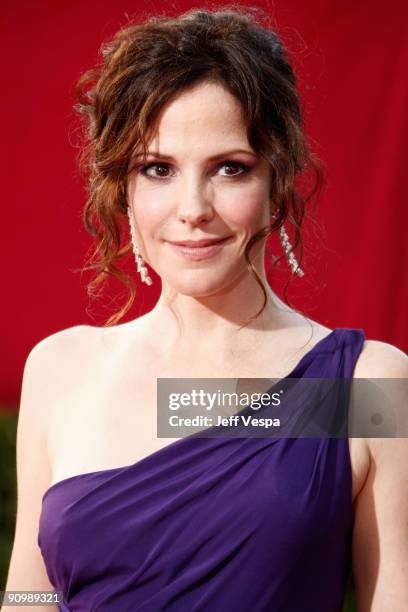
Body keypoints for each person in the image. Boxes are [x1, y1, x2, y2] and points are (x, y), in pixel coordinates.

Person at [4, 6, 408, 612]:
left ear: (278, 180)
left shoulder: (363, 386)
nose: (193, 206)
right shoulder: (62, 369)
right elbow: (29, 595)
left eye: (229, 168)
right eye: (158, 169)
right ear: (124, 189)